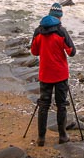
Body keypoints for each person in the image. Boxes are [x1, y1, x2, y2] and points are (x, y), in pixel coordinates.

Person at [29, 13, 76, 146]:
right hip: (60, 74)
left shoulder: (39, 31)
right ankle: (62, 136)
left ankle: (41, 138)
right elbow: (72, 52)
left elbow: (34, 52)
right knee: (61, 105)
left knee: (44, 105)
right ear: (59, 17)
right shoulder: (61, 31)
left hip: (45, 74)